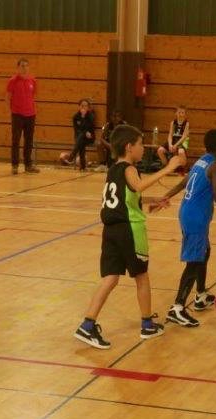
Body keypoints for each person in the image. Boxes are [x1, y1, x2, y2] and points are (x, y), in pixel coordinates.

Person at [74, 125, 186, 349]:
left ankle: (87, 325)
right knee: (141, 276)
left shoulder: (113, 169)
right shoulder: (129, 168)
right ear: (129, 147)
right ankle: (147, 325)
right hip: (129, 230)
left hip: (111, 230)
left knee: (111, 278)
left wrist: (153, 200)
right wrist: (169, 167)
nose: (143, 148)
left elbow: (128, 197)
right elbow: (138, 185)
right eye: (140, 144)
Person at [155, 129, 216, 327]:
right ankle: (177, 308)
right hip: (196, 218)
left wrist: (166, 196)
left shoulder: (202, 160)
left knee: (204, 252)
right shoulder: (215, 165)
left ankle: (200, 295)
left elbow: (184, 182)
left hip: (188, 213)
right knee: (193, 262)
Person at [7, 58, 39, 175]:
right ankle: (15, 165)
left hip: (31, 114)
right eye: (22, 66)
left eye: (26, 66)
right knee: (16, 140)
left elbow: (32, 96)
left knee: (29, 141)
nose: (24, 68)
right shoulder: (12, 81)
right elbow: (8, 97)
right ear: (18, 68)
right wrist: (13, 110)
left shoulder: (32, 81)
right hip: (17, 115)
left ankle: (28, 165)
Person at [60, 99, 96, 171]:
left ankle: (71, 157)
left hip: (90, 137)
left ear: (88, 107)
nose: (84, 107)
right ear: (79, 106)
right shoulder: (75, 117)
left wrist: (83, 117)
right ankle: (83, 167)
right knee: (81, 141)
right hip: (80, 136)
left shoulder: (91, 116)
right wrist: (82, 117)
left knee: (80, 140)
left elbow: (89, 127)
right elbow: (77, 130)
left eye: (86, 106)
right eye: (82, 106)